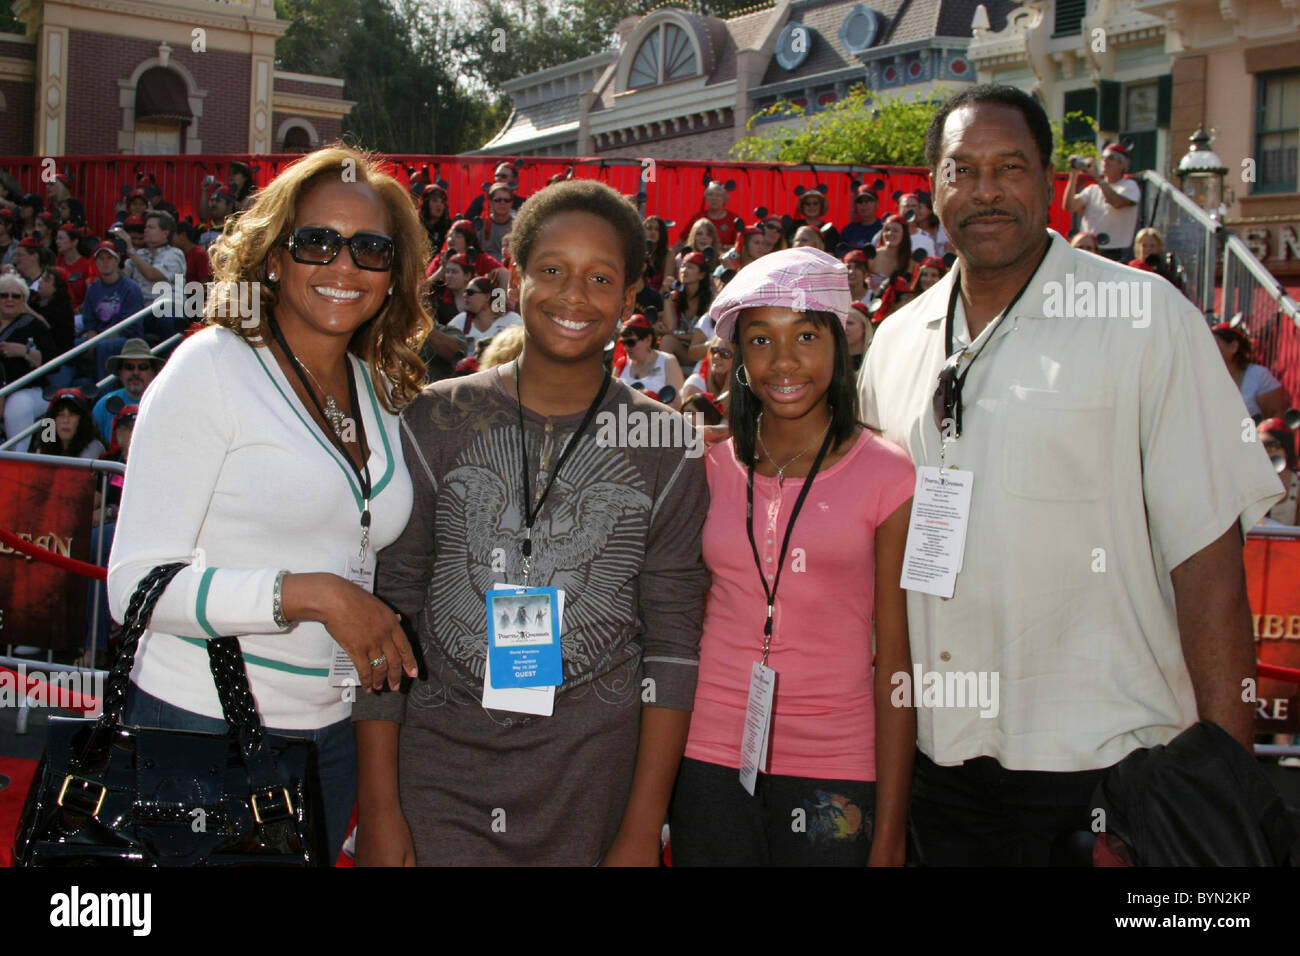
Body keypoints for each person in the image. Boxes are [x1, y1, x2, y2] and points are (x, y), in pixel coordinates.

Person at [859, 83, 1284, 865]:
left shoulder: (1150, 320)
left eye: (1010, 167)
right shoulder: (894, 340)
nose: (985, 190)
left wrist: (1221, 790)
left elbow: (1210, 563)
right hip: (938, 772)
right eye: (963, 169)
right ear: (932, 187)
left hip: (1107, 773)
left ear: (1052, 182)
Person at [352, 178, 708, 866]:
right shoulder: (429, 418)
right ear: (514, 279)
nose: (573, 296)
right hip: (437, 777)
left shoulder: (670, 445)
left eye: (600, 277)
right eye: (551, 271)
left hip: (591, 784)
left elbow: (672, 641)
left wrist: (641, 827)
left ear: (631, 297)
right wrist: (381, 804)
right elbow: (387, 606)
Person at [107, 145, 431, 865]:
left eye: (370, 250)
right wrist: (310, 595)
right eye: (317, 241)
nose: (343, 266)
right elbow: (135, 586)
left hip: (332, 737)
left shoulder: (377, 391)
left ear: (392, 273)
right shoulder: (212, 367)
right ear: (275, 257)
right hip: (202, 727)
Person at [670, 246, 915, 866]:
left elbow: (897, 664)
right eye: (759, 340)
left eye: (806, 335)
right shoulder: (703, 464)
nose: (784, 360)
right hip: (709, 752)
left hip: (837, 760)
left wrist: (889, 833)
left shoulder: (889, 474)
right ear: (738, 360)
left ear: (840, 343)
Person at [78, 241, 145, 380]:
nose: (105, 262)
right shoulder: (93, 289)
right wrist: (91, 339)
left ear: (116, 261)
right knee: (76, 346)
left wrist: (96, 340)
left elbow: (130, 325)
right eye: (101, 259)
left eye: (109, 258)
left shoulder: (130, 288)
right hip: (99, 336)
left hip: (126, 337)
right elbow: (89, 322)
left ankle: (104, 392)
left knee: (105, 346)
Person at [0, 271, 54, 440]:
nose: (9, 299)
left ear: (23, 301)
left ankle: (18, 458)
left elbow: (53, 361)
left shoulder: (34, 325)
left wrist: (24, 352)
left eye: (16, 296)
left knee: (17, 405)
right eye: (4, 295)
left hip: (29, 389)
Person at [1063, 143, 1140, 261]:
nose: (1106, 162)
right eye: (1104, 158)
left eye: (1111, 158)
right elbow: (1069, 206)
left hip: (1116, 253)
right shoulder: (1093, 189)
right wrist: (1073, 174)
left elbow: (1116, 202)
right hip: (1090, 249)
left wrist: (1098, 178)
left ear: (1123, 165)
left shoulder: (1129, 186)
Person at [118, 209, 187, 336]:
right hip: (140, 311)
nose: (145, 230)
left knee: (166, 314)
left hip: (167, 311)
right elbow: (120, 280)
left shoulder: (175, 254)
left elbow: (152, 275)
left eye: (151, 227)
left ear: (165, 233)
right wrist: (115, 255)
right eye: (146, 227)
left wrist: (130, 249)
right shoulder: (138, 255)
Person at [1211, 322, 1289, 420]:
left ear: (1233, 347)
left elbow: (1276, 417)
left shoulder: (1258, 376)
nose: (1207, 350)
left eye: (1213, 344)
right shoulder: (1204, 378)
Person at [91, 338, 162, 445]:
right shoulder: (103, 405)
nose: (136, 373)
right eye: (129, 367)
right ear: (120, 373)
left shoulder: (163, 403)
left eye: (142, 367)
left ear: (153, 373)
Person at [616, 313, 685, 409]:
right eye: (623, 343)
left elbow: (678, 403)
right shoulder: (621, 364)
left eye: (631, 342)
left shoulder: (667, 361)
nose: (626, 348)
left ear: (648, 339)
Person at [661, 250, 712, 368]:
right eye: (683, 266)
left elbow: (703, 336)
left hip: (699, 351)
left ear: (702, 275)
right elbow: (671, 327)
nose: (684, 270)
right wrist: (667, 296)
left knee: (669, 338)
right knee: (667, 340)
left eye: (690, 267)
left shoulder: (710, 300)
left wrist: (676, 335)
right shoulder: (676, 296)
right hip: (681, 349)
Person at [28, 387, 105, 458]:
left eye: (72, 415)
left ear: (82, 420)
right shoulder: (42, 448)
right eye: (61, 415)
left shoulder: (93, 447)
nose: (65, 421)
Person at [451, 275, 523, 347]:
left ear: (487, 297)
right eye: (464, 292)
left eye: (470, 292)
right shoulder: (461, 320)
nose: (465, 295)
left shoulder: (511, 319)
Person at [1258, 418, 1300, 526]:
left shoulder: (1297, 485)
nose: (1266, 453)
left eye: (1271, 446)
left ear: (1285, 449)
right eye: (1259, 446)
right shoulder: (1246, 484)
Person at [681, 336, 733, 418]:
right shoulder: (695, 383)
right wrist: (728, 386)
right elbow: (701, 424)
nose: (716, 356)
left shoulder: (744, 385)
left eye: (725, 353)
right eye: (714, 350)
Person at [683, 181, 737, 250]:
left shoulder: (733, 219)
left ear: (724, 199)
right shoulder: (697, 218)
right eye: (710, 195)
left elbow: (741, 246)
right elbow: (683, 241)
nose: (714, 198)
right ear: (706, 198)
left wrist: (721, 247)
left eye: (718, 195)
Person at [54, 224, 93, 311]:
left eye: (61, 238)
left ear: (74, 241)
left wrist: (78, 310)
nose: (57, 241)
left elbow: (92, 295)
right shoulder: (58, 262)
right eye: (57, 238)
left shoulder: (87, 265)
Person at [870, 215, 913, 292]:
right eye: (887, 230)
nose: (890, 233)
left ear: (904, 234)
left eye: (895, 230)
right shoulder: (873, 256)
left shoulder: (911, 261)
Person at [476, 183, 515, 262]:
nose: (502, 203)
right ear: (490, 202)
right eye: (498, 200)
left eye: (507, 200)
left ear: (511, 203)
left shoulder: (517, 226)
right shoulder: (480, 225)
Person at [643, 215, 676, 291]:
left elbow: (666, 283)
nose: (653, 232)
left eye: (657, 229)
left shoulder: (668, 254)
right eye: (649, 228)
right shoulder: (637, 251)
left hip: (659, 297)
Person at [419, 184, 452, 256]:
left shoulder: (449, 228)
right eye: (434, 201)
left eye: (442, 202)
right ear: (425, 203)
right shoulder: (416, 225)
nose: (439, 205)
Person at [845, 301, 873, 370]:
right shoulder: (831, 360)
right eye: (841, 322)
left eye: (850, 323)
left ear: (864, 327)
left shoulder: (873, 360)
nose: (844, 327)